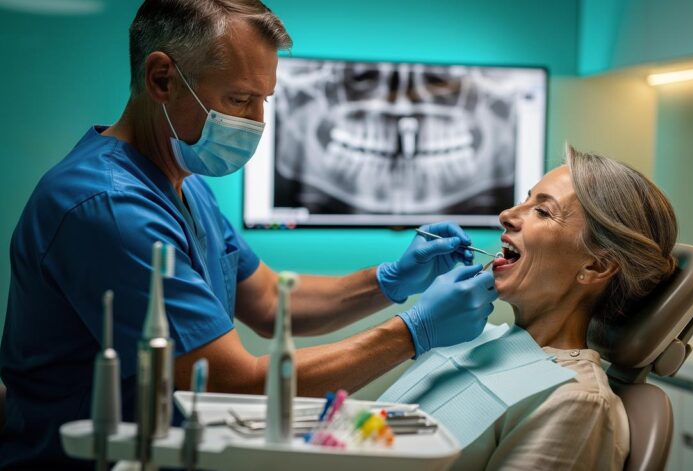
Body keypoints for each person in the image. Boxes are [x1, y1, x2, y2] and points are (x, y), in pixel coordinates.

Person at [0, 1, 497, 468]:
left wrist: (390, 280)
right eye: (239, 99)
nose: (257, 122)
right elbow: (231, 385)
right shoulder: (109, 208)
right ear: (161, 79)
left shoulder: (184, 182)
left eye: (263, 100)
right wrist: (412, 332)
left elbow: (271, 300)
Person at [452, 144, 678, 470]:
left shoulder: (574, 401)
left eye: (543, 211)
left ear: (596, 266)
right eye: (525, 200)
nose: (506, 215)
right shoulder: (483, 342)